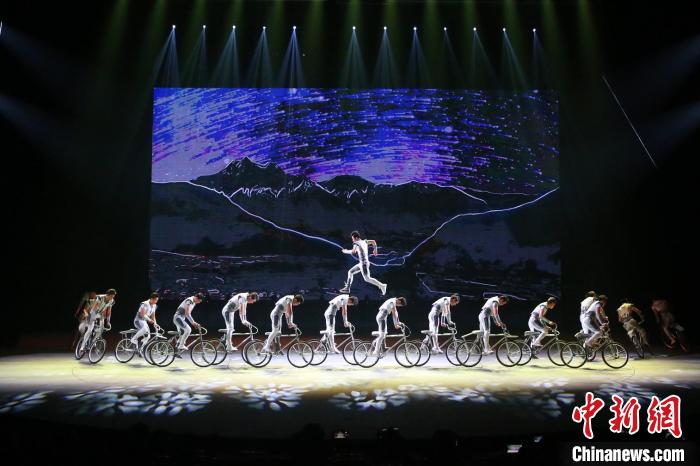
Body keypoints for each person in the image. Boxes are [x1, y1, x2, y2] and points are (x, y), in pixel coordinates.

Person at [339, 231, 387, 295]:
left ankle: (382, 285)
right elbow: (373, 242)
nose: (352, 240)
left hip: (363, 264)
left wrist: (345, 251)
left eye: (353, 238)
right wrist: (375, 250)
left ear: (356, 238)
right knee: (350, 272)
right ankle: (347, 288)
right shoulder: (364, 241)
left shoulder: (356, 243)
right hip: (362, 263)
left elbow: (353, 252)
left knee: (367, 279)